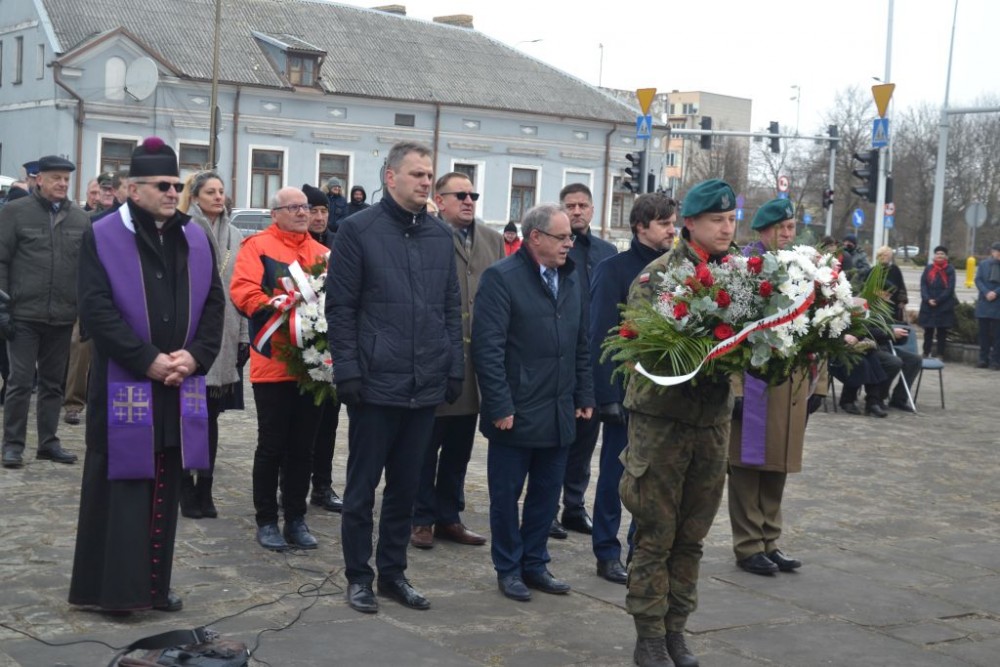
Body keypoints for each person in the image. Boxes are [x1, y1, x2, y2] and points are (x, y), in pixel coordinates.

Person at [68, 137, 225, 613]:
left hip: (177, 384)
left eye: (177, 185)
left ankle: (155, 586)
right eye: (163, 185)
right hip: (126, 381)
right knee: (122, 487)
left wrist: (194, 357)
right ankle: (113, 591)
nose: (172, 192)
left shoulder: (193, 236)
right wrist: (146, 359)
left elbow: (214, 304)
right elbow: (96, 310)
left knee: (164, 484)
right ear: (134, 189)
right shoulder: (102, 234)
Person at [326, 141, 463, 614]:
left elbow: (449, 307)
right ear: (390, 177)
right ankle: (358, 577)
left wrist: (453, 365)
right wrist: (348, 369)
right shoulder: (357, 230)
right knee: (361, 490)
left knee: (405, 488)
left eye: (429, 174)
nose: (426, 181)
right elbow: (340, 308)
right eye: (417, 174)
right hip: (374, 383)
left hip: (424, 383)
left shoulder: (440, 235)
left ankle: (393, 573)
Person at [620, 178, 737, 667]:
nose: (727, 228)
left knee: (692, 536)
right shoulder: (658, 278)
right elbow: (645, 350)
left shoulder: (743, 276)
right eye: (717, 220)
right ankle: (648, 635)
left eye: (731, 219)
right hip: (662, 423)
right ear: (690, 223)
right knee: (656, 533)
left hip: (711, 424)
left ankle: (676, 630)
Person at [472, 203, 595, 602]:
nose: (569, 244)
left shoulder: (571, 278)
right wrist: (499, 405)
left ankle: (535, 563)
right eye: (562, 237)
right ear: (536, 237)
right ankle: (508, 568)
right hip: (516, 410)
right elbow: (488, 349)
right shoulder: (501, 278)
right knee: (506, 497)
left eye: (571, 237)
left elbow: (581, 344)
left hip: (559, 409)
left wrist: (584, 394)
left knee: (546, 494)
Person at [231, 187, 330, 551]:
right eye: (294, 208)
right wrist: (278, 305)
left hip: (313, 366)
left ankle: (297, 518)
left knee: (303, 448)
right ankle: (267, 520)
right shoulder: (256, 247)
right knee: (271, 445)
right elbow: (243, 291)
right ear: (275, 214)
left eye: (306, 207)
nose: (303, 213)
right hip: (273, 362)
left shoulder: (322, 253)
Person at [411, 172, 503, 550]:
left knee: (459, 448)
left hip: (475, 364)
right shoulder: (425, 236)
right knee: (424, 447)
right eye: (460, 195)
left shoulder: (493, 241)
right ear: (440, 200)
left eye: (473, 195)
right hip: (435, 359)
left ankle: (449, 515)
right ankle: (421, 517)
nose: (468, 201)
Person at [589, 193, 676, 585]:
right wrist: (606, 396)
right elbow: (601, 333)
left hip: (665, 392)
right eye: (664, 224)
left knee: (654, 479)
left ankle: (640, 547)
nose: (672, 230)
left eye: (673, 223)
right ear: (641, 226)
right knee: (615, 475)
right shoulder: (614, 269)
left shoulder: (678, 269)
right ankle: (606, 552)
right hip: (625, 392)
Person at [729, 198, 813, 577]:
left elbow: (817, 328)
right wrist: (735, 389)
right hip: (754, 382)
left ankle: (770, 541)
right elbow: (728, 333)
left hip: (789, 385)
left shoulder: (802, 269)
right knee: (748, 467)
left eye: (792, 227)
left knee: (777, 465)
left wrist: (818, 384)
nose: (789, 234)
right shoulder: (745, 268)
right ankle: (749, 545)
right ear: (764, 230)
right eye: (783, 228)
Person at [0, 155, 90, 469]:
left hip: (63, 316)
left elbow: (87, 270)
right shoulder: (15, 213)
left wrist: (85, 311)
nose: (62, 184)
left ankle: (48, 443)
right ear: (39, 179)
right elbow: (1, 261)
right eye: (55, 178)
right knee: (20, 382)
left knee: (53, 384)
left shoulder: (80, 219)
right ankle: (12, 445)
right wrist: (3, 306)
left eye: (66, 179)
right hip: (23, 315)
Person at [176, 170, 248, 519]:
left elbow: (242, 288)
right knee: (189, 414)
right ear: (194, 197)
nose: (219, 197)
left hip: (226, 332)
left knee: (211, 417)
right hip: (191, 332)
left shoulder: (235, 234)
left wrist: (244, 335)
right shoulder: (181, 230)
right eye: (210, 192)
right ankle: (184, 487)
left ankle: (205, 487)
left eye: (221, 191)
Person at [550, 183, 616, 540]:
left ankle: (574, 506)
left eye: (582, 205)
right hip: (560, 356)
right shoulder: (552, 248)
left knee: (587, 438)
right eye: (570, 205)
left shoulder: (606, 252)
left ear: (592, 209)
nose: (576, 211)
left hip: (595, 360)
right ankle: (547, 509)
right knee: (557, 438)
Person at [302, 183, 343, 513]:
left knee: (328, 423)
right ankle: (292, 483)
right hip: (301, 345)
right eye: (313, 210)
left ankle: (322, 486)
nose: (318, 217)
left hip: (333, 347)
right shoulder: (296, 245)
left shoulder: (338, 243)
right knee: (299, 426)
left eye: (323, 211)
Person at [918, 245, 957, 359]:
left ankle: (940, 354)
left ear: (946, 257)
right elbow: (923, 284)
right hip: (928, 305)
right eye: (937, 254)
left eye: (942, 254)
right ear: (934, 256)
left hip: (943, 305)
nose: (939, 256)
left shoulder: (950, 269)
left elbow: (950, 288)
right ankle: (926, 352)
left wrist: (938, 300)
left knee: (942, 331)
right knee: (928, 331)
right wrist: (927, 299)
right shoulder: (929, 268)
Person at [974, 242, 1000, 369]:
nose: (998, 254)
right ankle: (983, 359)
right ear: (992, 252)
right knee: (983, 334)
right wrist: (986, 292)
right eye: (997, 251)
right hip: (984, 303)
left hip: (998, 303)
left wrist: (996, 292)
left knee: (997, 335)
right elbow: (978, 279)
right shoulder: (984, 264)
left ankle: (996, 361)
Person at [871, 245, 908, 322]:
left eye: (886, 255)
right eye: (882, 255)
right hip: (878, 306)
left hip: (894, 305)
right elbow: (867, 287)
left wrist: (902, 300)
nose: (884, 257)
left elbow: (901, 285)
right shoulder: (873, 271)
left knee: (894, 324)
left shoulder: (895, 269)